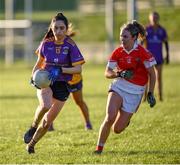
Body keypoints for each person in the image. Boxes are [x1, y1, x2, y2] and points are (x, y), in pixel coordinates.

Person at [23, 12, 85, 154]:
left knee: (47, 122)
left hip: (63, 85)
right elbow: (39, 63)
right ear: (51, 27)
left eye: (62, 28)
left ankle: (32, 144)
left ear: (66, 29)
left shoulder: (70, 45)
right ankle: (33, 126)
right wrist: (33, 76)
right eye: (56, 28)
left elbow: (78, 68)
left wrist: (61, 69)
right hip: (46, 80)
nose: (59, 31)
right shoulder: (46, 43)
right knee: (45, 105)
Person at [94, 20, 157, 154]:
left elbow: (152, 73)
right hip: (119, 86)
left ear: (134, 37)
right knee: (109, 117)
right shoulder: (118, 52)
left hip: (135, 92)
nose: (122, 39)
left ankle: (125, 120)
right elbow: (107, 72)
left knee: (117, 129)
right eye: (121, 36)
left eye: (125, 36)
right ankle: (98, 149)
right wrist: (119, 73)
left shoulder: (142, 52)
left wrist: (150, 93)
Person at [144, 11, 169, 101]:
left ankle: (160, 97)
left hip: (159, 56)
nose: (154, 19)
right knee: (146, 77)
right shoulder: (146, 29)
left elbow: (166, 43)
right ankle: (144, 97)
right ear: (149, 18)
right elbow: (142, 42)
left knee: (159, 77)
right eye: (152, 17)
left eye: (156, 17)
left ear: (158, 18)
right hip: (148, 57)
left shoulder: (162, 30)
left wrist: (168, 55)